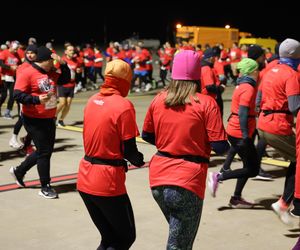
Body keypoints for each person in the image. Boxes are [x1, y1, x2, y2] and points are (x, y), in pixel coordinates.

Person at [142, 50, 229, 249]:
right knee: (179, 245)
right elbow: (220, 146)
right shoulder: (206, 103)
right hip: (186, 181)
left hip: (158, 179)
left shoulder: (159, 99)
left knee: (179, 236)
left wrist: (170, 143)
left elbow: (147, 134)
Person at [77, 59, 145, 250]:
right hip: (107, 182)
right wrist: (140, 160)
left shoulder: (92, 100)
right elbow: (130, 152)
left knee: (108, 238)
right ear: (125, 81)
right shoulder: (123, 105)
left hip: (85, 177)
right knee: (125, 238)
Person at [9, 46, 71, 199]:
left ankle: (19, 171)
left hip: (49, 117)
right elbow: (17, 95)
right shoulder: (27, 73)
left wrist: (63, 64)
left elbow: (65, 79)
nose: (54, 64)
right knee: (44, 152)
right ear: (45, 61)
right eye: (52, 61)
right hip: (33, 119)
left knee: (45, 151)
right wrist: (36, 99)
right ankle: (45, 186)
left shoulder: (51, 72)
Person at [257, 38, 300, 225]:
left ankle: (285, 202)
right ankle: (284, 203)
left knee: (294, 160)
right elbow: (294, 106)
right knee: (298, 159)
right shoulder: (291, 74)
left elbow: (258, 100)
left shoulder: (268, 71)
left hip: (263, 125)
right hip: (278, 125)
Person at [208, 58, 260, 208]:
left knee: (247, 166)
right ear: (253, 72)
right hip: (239, 132)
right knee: (253, 169)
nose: (258, 73)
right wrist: (245, 136)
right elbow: (243, 112)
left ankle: (236, 198)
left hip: (234, 129)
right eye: (256, 70)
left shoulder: (241, 85)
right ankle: (220, 176)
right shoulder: (248, 88)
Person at [9, 44, 37, 150]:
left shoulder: (36, 65)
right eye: (28, 53)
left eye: (32, 53)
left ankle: (27, 139)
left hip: (33, 96)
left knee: (31, 119)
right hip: (24, 96)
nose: (30, 55)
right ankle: (13, 138)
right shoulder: (22, 67)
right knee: (22, 118)